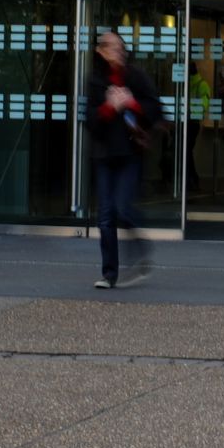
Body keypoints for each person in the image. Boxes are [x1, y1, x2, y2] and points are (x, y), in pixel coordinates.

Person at [86, 31, 162, 288]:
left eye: (120, 47)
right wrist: (110, 106)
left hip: (130, 153)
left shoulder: (135, 76)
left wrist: (131, 103)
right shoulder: (96, 81)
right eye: (111, 47)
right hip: (104, 154)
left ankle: (140, 251)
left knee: (122, 208)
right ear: (100, 51)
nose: (118, 51)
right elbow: (91, 121)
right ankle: (110, 274)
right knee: (105, 216)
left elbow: (155, 109)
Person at [186, 60, 211, 191]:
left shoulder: (201, 85)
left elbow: (204, 105)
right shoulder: (188, 82)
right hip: (189, 122)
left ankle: (192, 178)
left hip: (192, 122)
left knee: (186, 151)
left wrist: (189, 109)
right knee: (186, 151)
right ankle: (190, 178)